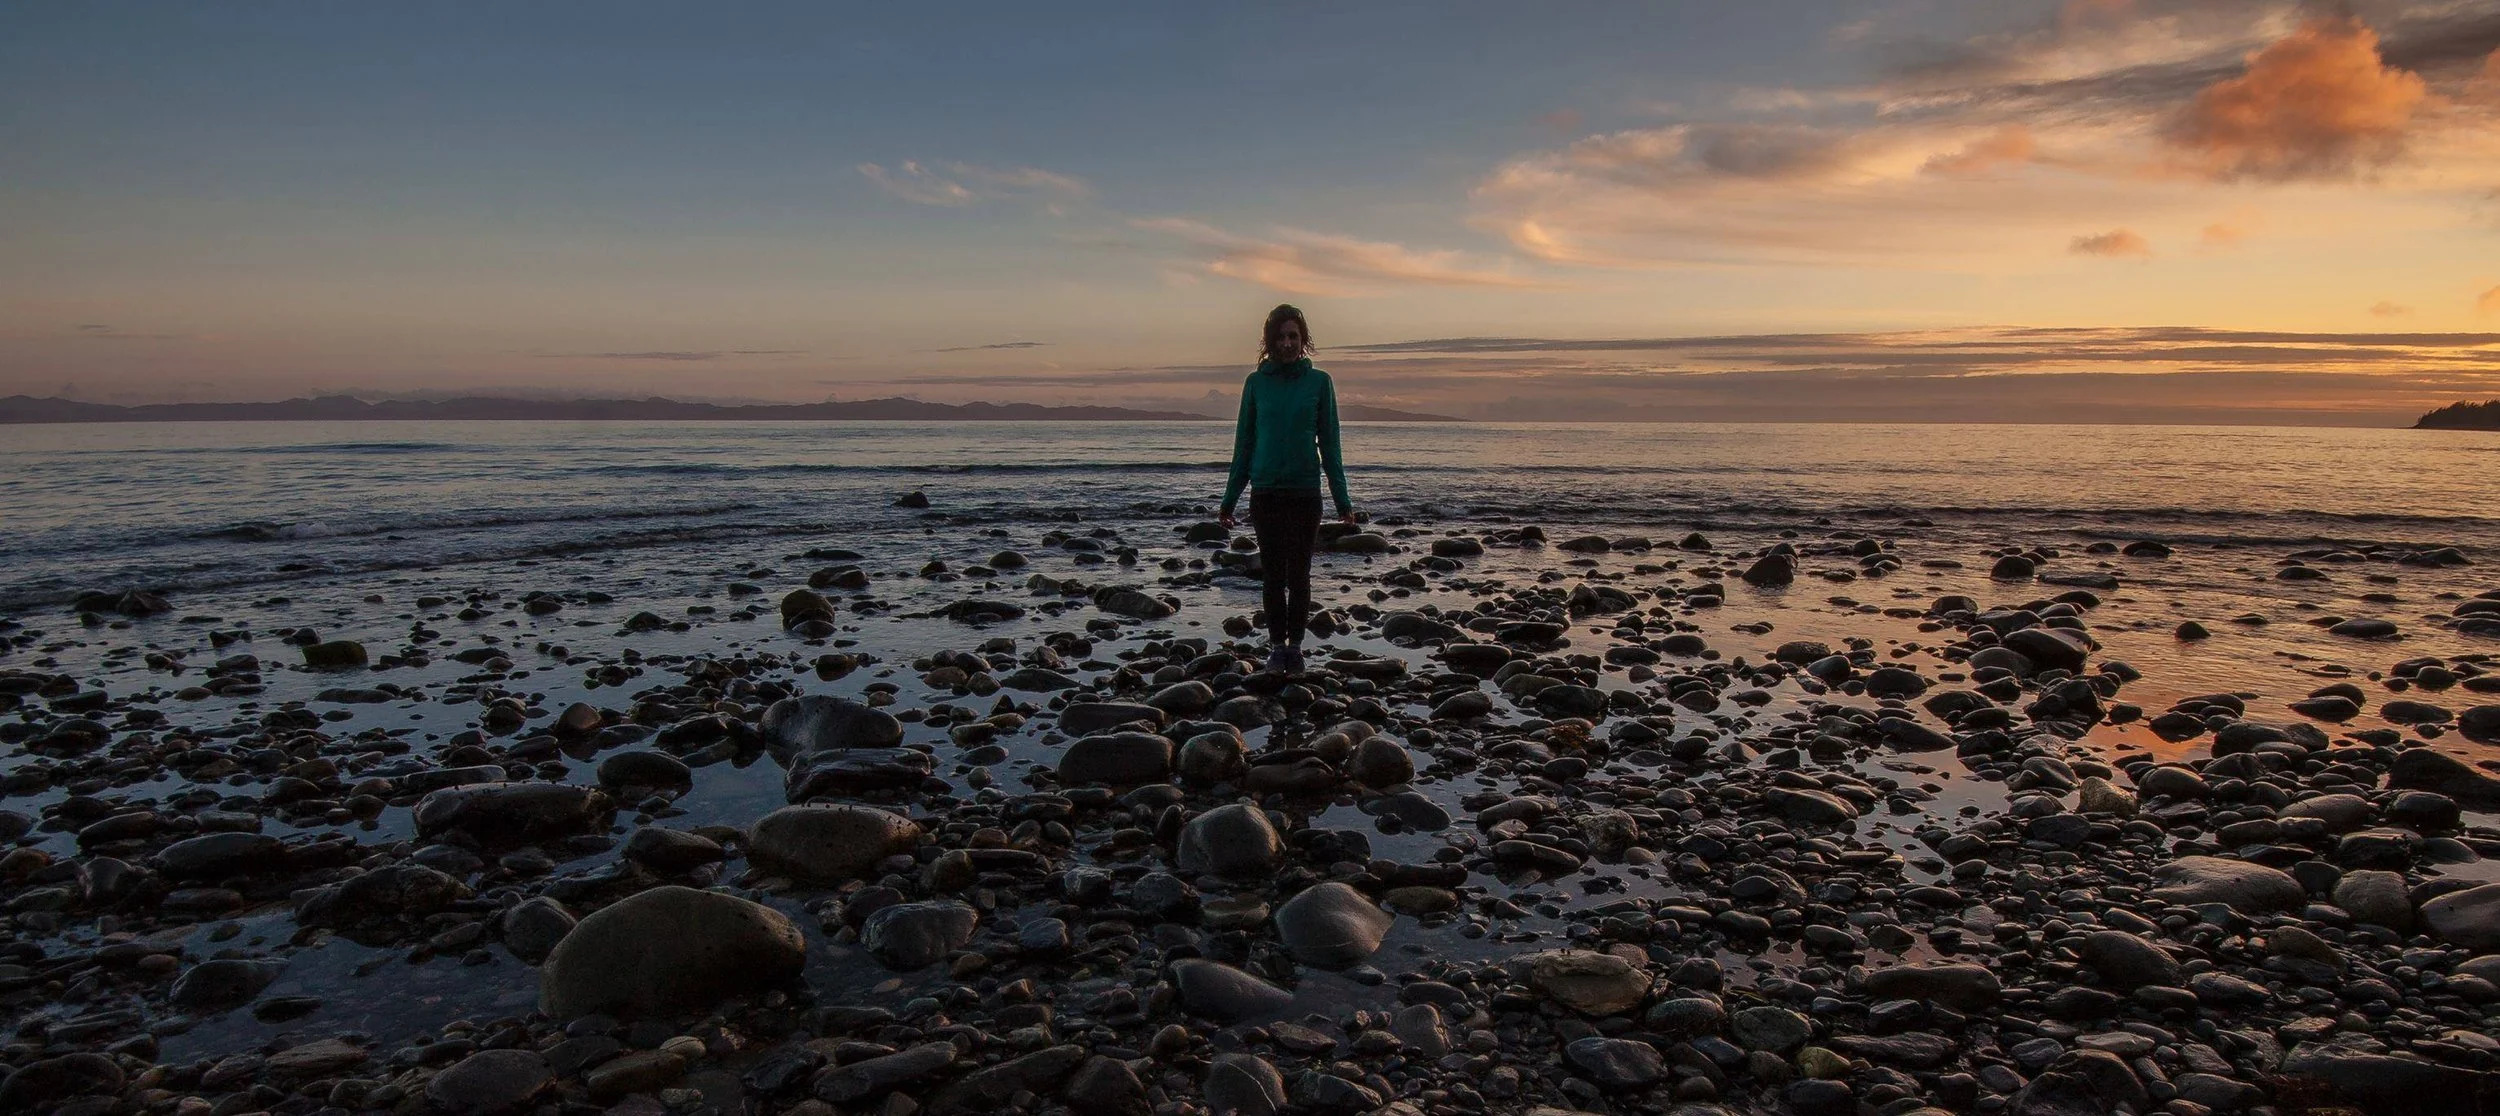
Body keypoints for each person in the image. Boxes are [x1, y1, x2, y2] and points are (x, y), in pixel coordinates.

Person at [1217, 304, 1355, 673]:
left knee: (1300, 575)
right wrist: (1229, 500)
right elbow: (1244, 445)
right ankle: (1277, 647)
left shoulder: (1320, 383)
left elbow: (1330, 445)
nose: (1287, 343)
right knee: (1274, 576)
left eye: (1293, 336)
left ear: (1303, 339)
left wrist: (1343, 501)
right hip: (1266, 494)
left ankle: (1296, 648)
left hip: (1305, 494)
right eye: (1281, 336)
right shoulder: (1256, 384)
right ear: (1270, 341)